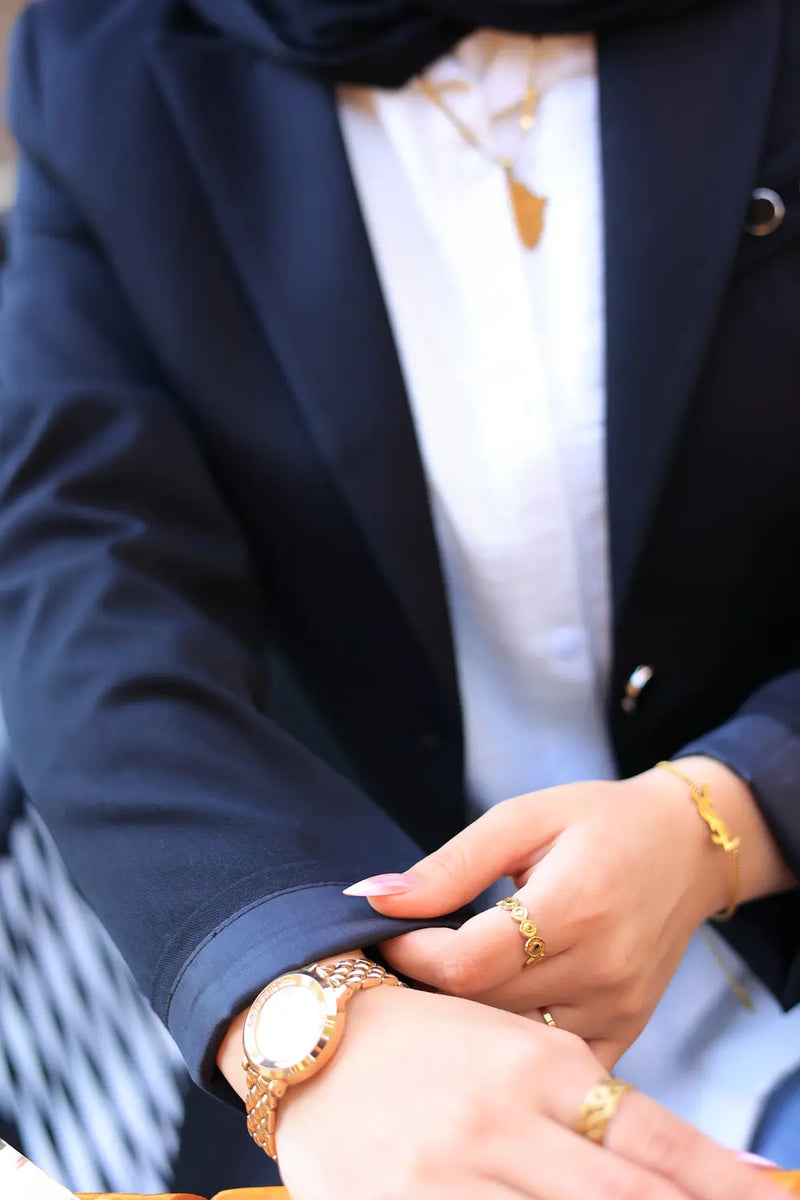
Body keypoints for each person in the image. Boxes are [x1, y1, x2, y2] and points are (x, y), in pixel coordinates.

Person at [0, 0, 798, 1196]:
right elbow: (81, 569)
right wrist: (310, 1010)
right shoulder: (100, 54)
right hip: (394, 1031)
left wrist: (728, 813)